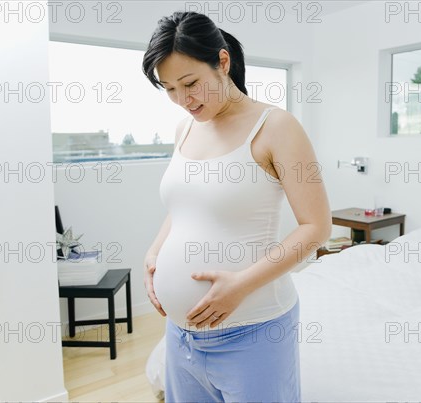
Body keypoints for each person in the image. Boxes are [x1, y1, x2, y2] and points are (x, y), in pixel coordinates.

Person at [141, 11, 331, 403]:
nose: (182, 100)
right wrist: (155, 253)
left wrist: (239, 286)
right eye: (169, 88)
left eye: (191, 83)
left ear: (222, 62)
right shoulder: (186, 128)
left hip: (252, 328)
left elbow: (316, 227)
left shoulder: (276, 127)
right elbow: (183, 207)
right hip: (181, 334)